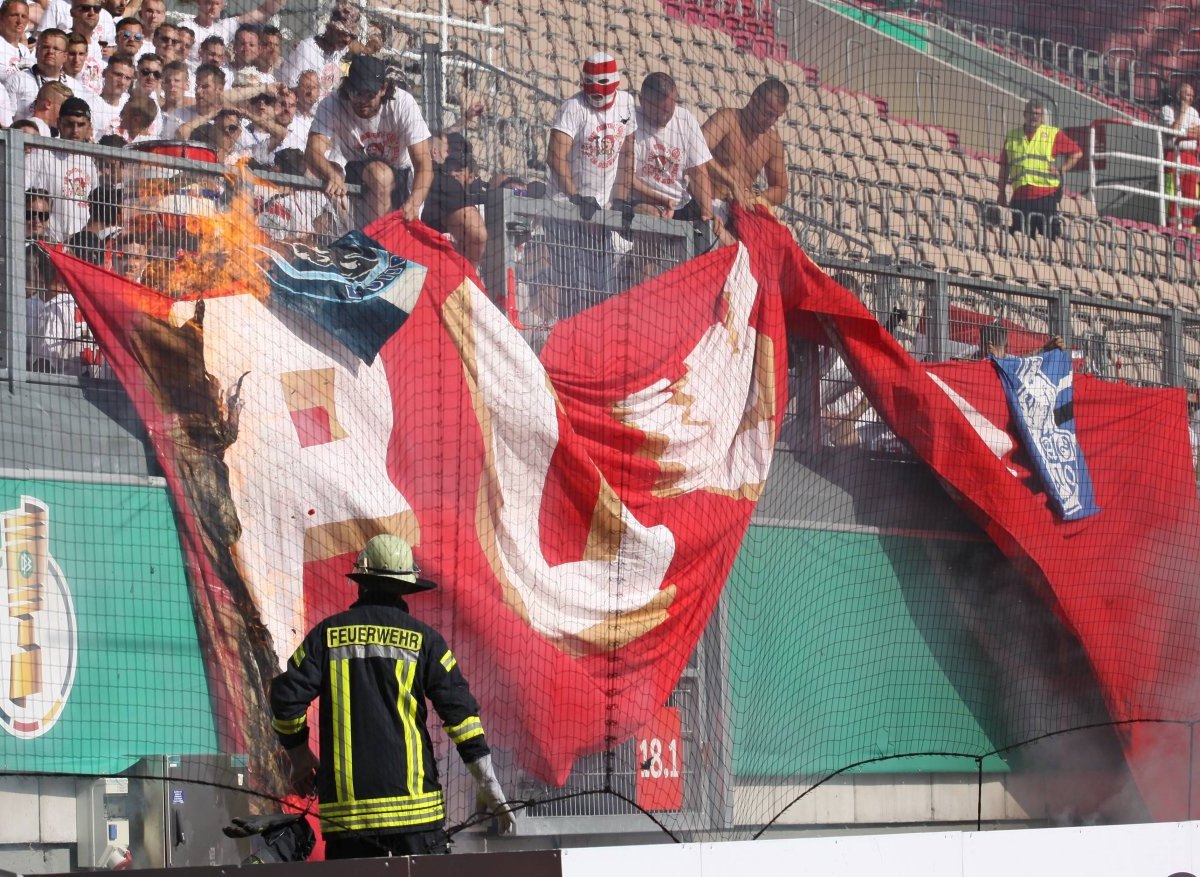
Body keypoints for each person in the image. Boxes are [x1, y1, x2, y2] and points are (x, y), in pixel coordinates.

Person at [269, 534, 516, 859]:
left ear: (361, 583)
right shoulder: (425, 640)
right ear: (405, 588)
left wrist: (300, 757)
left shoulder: (327, 637)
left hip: (348, 822)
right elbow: (461, 716)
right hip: (416, 819)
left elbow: (286, 699)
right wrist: (488, 784)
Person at [306, 53, 433, 226]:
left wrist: (415, 202)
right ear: (347, 87)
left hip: (401, 174)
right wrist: (331, 174)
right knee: (366, 172)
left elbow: (424, 164)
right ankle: (365, 239)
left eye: (369, 94)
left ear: (382, 89)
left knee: (381, 175)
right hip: (356, 170)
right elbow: (313, 150)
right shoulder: (332, 104)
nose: (362, 100)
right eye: (356, 92)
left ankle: (378, 239)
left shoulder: (403, 103)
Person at [628, 72, 721, 234]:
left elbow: (698, 173)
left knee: (720, 235)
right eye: (657, 112)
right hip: (643, 202)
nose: (663, 117)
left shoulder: (685, 120)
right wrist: (663, 201)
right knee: (653, 221)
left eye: (668, 111)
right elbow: (628, 179)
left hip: (681, 203)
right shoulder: (631, 122)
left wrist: (707, 214)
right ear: (642, 101)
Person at [701, 78, 789, 227]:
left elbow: (781, 189)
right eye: (768, 113)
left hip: (739, 213)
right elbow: (696, 151)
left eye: (776, 117)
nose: (771, 120)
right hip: (706, 204)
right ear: (754, 100)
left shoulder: (772, 141)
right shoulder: (727, 119)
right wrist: (731, 182)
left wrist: (756, 197)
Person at [996, 99, 1082, 240]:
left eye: (1038, 114)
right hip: (1020, 198)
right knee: (1021, 241)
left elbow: (1077, 152)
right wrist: (1001, 192)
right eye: (1031, 113)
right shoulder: (1012, 136)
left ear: (1042, 117)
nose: (1034, 117)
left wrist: (1061, 170)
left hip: (1045, 197)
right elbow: (1004, 167)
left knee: (1050, 239)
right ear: (1024, 114)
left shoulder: (1052, 134)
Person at [25, 95, 98, 240]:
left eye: (81, 125)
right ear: (59, 123)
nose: (75, 130)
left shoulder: (89, 162)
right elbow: (21, 193)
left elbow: (93, 204)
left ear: (89, 127)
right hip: (46, 243)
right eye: (69, 124)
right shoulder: (41, 154)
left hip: (79, 247)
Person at [175, 0, 286, 66]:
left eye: (217, 3)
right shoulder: (184, 27)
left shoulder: (225, 26)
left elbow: (262, 12)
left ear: (222, 5)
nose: (213, 7)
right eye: (209, 2)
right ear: (199, 2)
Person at [278, 2, 353, 99]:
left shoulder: (342, 53)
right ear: (331, 29)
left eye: (351, 36)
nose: (347, 39)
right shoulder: (306, 49)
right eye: (343, 33)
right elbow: (290, 88)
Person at [1162, 82, 1200, 226]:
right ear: (1178, 95)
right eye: (1186, 94)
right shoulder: (1167, 110)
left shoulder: (1194, 113)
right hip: (1172, 156)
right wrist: (1183, 112)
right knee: (1172, 194)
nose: (1189, 98)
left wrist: (1183, 132)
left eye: (1191, 95)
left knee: (1189, 197)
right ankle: (1172, 228)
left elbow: (1197, 132)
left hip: (1190, 157)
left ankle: (1187, 229)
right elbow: (1171, 133)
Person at [0, 0, 34, 76]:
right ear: (1, 17)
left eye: (24, 16)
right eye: (14, 15)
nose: (20, 21)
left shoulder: (24, 50)